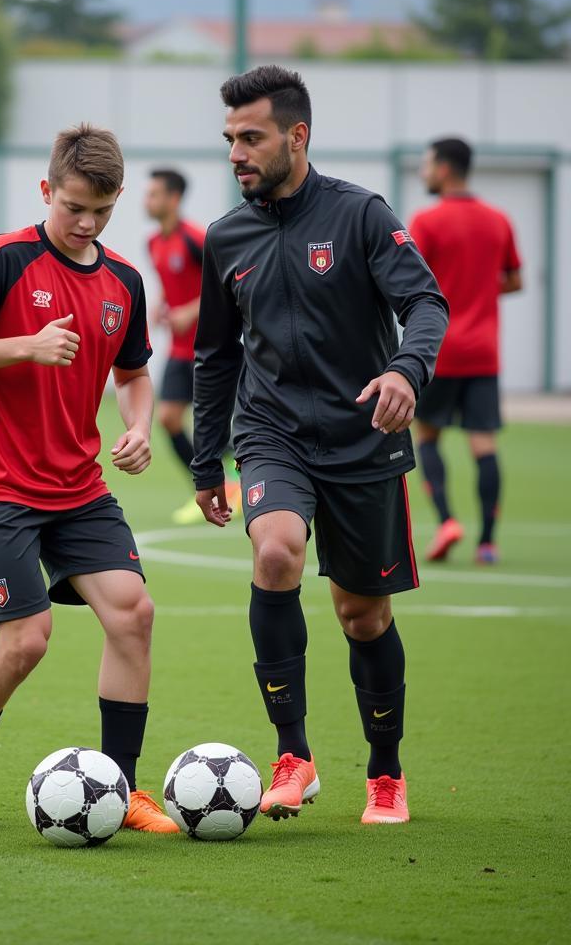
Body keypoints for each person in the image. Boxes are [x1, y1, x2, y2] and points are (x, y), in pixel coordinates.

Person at [191, 66, 448, 826]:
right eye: (230, 139)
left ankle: (385, 772)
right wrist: (208, 460)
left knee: (361, 616)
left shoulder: (361, 215)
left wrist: (407, 369)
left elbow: (424, 302)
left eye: (251, 138)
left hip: (363, 438)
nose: (237, 153)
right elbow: (215, 356)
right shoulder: (225, 237)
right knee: (274, 552)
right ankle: (294, 756)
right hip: (271, 434)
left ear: (296, 137)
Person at [0, 123, 179, 836]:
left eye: (101, 208)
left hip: (78, 485)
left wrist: (137, 424)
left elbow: (132, 375)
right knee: (26, 639)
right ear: (46, 191)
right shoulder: (6, 259)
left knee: (134, 612)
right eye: (72, 207)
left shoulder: (124, 279)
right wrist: (22, 347)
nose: (86, 222)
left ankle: (121, 789)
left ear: (118, 197)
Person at [409, 138, 524, 565]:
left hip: (439, 350)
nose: (424, 173)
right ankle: (488, 542)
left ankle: (446, 521)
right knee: (483, 444)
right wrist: (478, 288)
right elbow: (514, 279)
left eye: (426, 164)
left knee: (427, 435)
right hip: (484, 353)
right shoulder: (498, 220)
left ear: (443, 168)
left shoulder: (427, 221)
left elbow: (409, 281)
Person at [144, 169, 242, 524]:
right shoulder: (154, 243)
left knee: (212, 426)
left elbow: (227, 286)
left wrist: (190, 309)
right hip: (178, 350)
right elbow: (174, 283)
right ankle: (205, 486)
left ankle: (231, 481)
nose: (147, 200)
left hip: (209, 349)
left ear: (173, 198)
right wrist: (161, 303)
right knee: (169, 418)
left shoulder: (196, 239)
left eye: (154, 194)